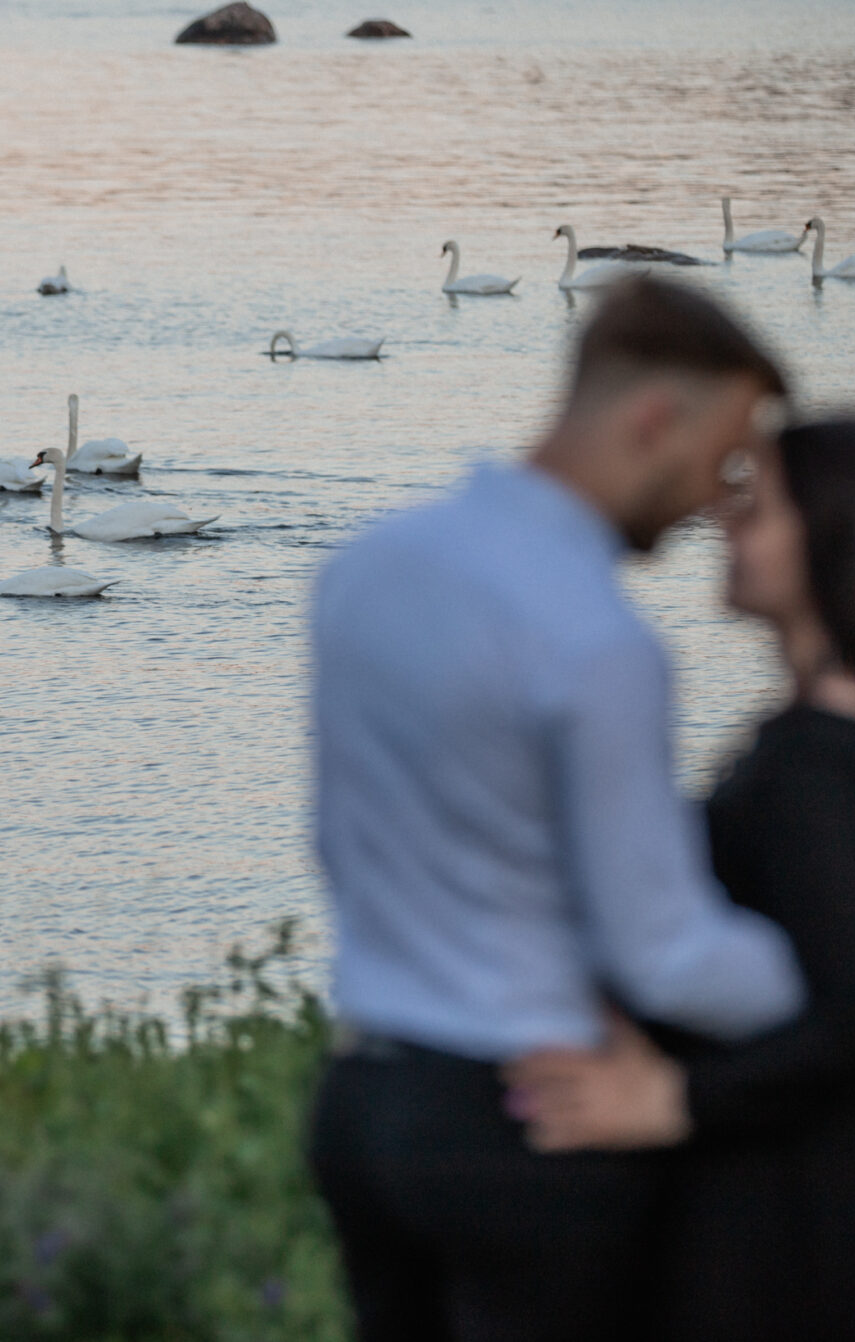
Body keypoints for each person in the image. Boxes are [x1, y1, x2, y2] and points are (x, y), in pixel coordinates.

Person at [307, 277, 807, 1341]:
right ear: (650, 421)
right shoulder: (596, 641)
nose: (713, 502)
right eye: (717, 461)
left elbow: (335, 846)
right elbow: (659, 949)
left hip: (364, 1104)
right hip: (528, 1123)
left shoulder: (363, 570)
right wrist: (828, 988)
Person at [505, 416, 855, 1341]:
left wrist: (670, 1101)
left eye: (757, 504)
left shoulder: (817, 771)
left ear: (830, 536)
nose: (724, 520)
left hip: (807, 1212)